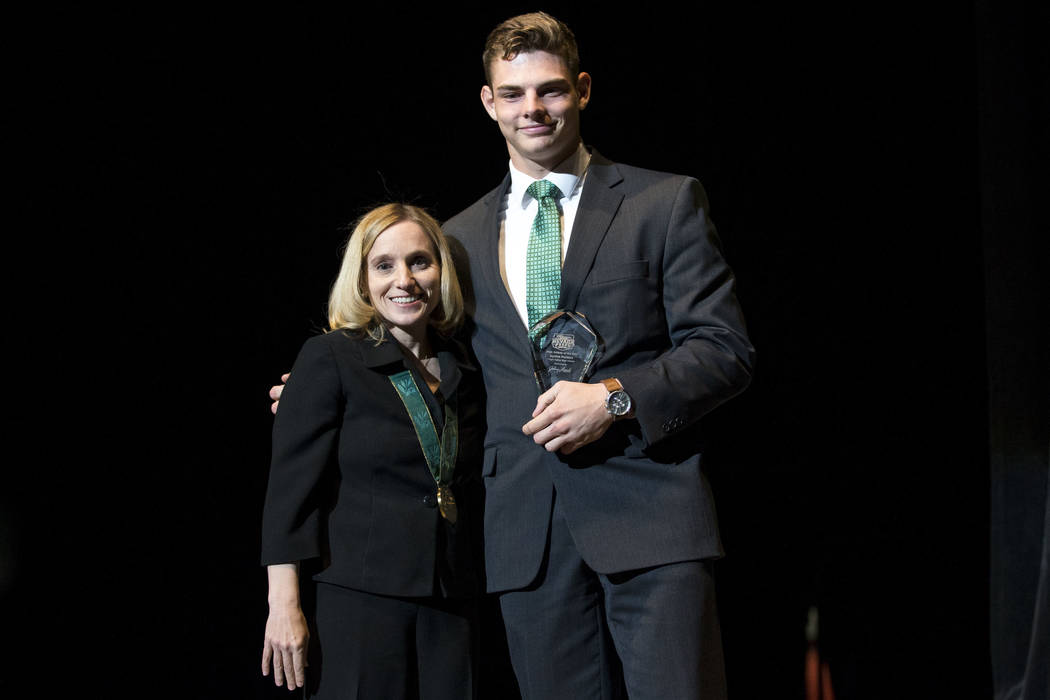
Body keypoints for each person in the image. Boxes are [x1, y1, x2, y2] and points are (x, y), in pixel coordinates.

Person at [272, 12, 753, 699]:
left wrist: (615, 397)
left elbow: (726, 349)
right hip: (525, 536)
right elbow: (435, 358)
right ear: (488, 101)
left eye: (551, 90)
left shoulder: (663, 202)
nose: (534, 109)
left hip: (651, 521)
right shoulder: (460, 238)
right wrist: (332, 383)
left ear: (582, 90)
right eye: (515, 93)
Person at [260, 203, 483, 699]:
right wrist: (284, 605)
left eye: (419, 262)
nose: (404, 279)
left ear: (441, 272)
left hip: (452, 599)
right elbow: (291, 494)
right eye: (384, 265)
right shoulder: (331, 357)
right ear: (362, 279)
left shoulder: (467, 368)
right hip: (359, 601)